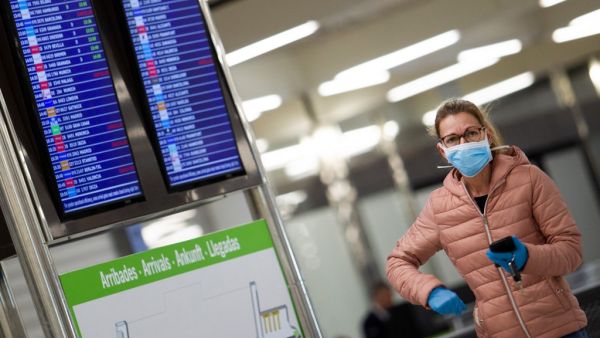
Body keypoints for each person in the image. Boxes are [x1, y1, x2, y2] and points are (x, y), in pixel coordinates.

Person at [386, 98, 589, 338]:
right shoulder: (439, 208)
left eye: (471, 133)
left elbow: (571, 251)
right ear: (443, 150)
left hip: (561, 329)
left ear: (487, 135)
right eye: (452, 139)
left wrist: (527, 257)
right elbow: (397, 262)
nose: (463, 144)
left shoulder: (530, 179)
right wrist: (428, 291)